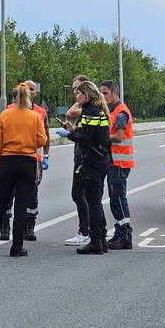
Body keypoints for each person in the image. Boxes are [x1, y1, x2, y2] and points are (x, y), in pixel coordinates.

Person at [0, 83, 47, 258]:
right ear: (28, 98)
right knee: (21, 206)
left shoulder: (5, 115)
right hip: (27, 162)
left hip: (8, 161)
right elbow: (42, 140)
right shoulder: (34, 117)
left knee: (0, 205)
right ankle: (17, 247)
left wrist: (0, 162)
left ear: (14, 97)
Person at [62, 80, 111, 255]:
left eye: (78, 94)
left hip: (93, 162)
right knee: (96, 201)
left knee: (94, 203)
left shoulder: (90, 112)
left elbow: (86, 139)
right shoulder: (98, 111)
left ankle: (96, 241)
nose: (76, 96)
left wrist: (69, 135)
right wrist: (73, 130)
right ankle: (102, 240)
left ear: (87, 95)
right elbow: (89, 134)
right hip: (101, 160)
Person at [1, 80, 50, 241]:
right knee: (8, 193)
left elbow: (46, 137)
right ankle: (5, 226)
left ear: (36, 92)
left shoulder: (41, 112)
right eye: (27, 88)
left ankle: (29, 227)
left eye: (32, 89)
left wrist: (46, 156)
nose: (29, 91)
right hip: (12, 157)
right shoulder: (8, 109)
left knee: (31, 194)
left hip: (33, 159)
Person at [99, 80, 134, 250]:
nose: (102, 96)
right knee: (115, 199)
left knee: (118, 200)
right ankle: (120, 233)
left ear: (114, 92)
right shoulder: (112, 111)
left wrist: (100, 138)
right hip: (114, 161)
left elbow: (119, 137)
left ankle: (125, 236)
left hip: (119, 162)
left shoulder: (121, 112)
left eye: (105, 93)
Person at [61, 75, 91, 246]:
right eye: (73, 89)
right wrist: (72, 130)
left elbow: (70, 112)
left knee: (78, 193)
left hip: (84, 156)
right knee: (87, 194)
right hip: (82, 154)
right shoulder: (88, 108)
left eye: (78, 90)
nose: (74, 93)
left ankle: (84, 231)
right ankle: (91, 229)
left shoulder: (89, 108)